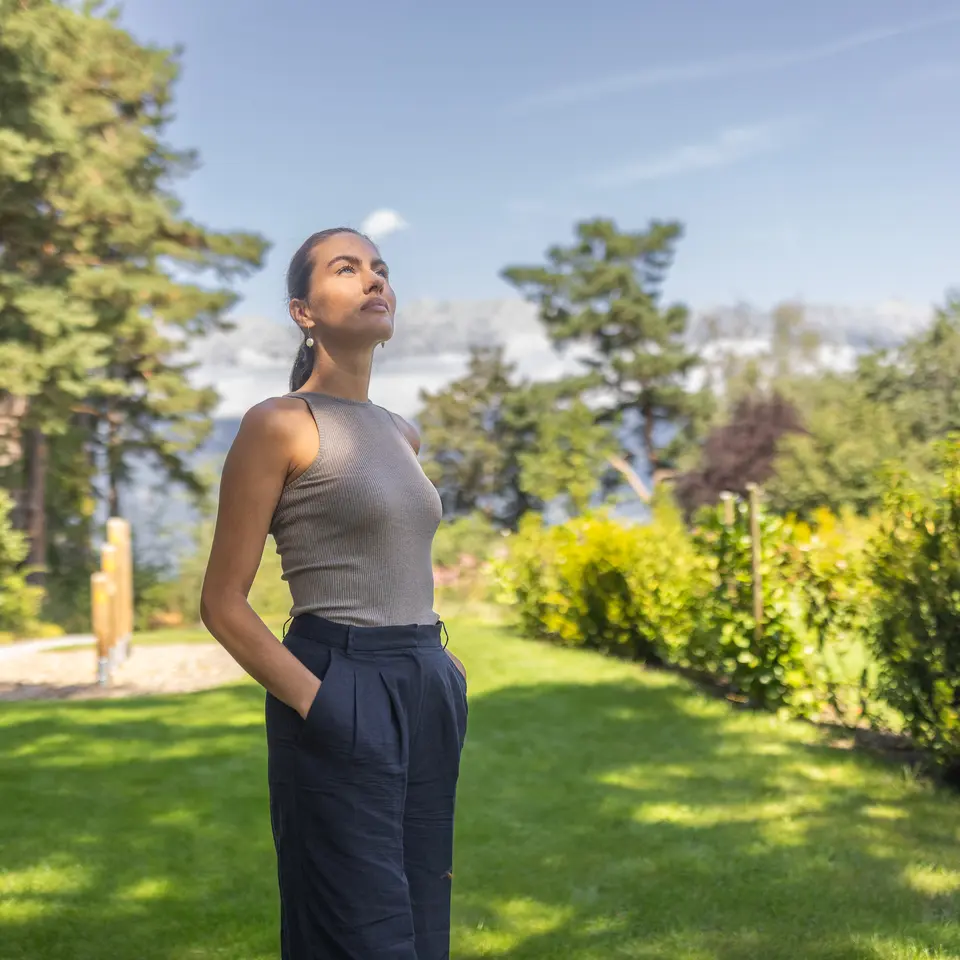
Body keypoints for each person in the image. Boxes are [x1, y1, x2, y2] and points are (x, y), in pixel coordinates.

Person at [200, 227, 468, 960]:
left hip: (425, 680)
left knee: (420, 921)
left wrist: (442, 672)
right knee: (355, 933)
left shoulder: (401, 434)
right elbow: (223, 601)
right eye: (347, 269)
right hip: (338, 677)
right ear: (303, 312)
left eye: (380, 269)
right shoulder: (279, 424)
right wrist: (321, 700)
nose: (375, 280)